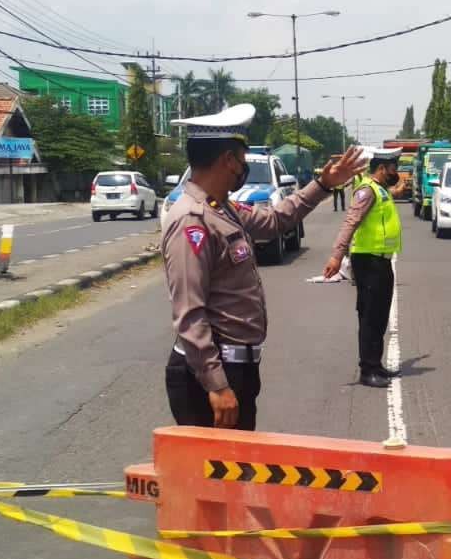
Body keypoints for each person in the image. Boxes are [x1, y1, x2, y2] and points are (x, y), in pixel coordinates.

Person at [162, 104, 365, 430]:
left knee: (235, 473)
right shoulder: (192, 220)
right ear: (228, 159)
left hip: (237, 369)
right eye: (242, 160)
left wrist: (324, 185)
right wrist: (217, 384)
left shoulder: (221, 208)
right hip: (211, 377)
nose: (243, 168)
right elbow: (190, 312)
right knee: (218, 478)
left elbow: (273, 221)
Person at [323, 147, 407, 388]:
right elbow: (351, 222)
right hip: (368, 261)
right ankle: (367, 370)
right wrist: (336, 256)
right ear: (381, 168)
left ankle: (376, 364)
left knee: (379, 316)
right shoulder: (367, 191)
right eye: (393, 168)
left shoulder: (380, 189)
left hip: (381, 260)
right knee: (370, 317)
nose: (396, 172)